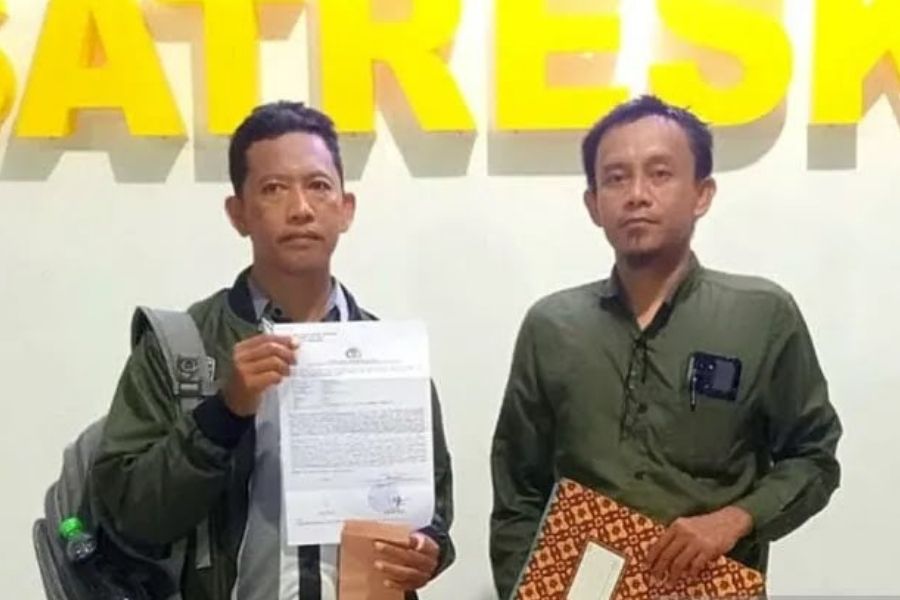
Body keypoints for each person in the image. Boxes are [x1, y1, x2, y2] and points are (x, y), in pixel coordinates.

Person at [89, 101, 454, 599]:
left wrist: (427, 549)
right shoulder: (181, 347)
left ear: (346, 209)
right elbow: (130, 518)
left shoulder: (387, 355)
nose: (300, 208)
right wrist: (223, 414)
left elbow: (432, 511)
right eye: (274, 188)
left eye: (319, 186)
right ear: (237, 213)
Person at [489, 95, 842, 598]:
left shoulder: (762, 315)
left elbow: (813, 457)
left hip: (708, 587)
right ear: (593, 204)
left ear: (702, 194)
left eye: (659, 174)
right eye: (616, 178)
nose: (637, 195)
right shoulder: (552, 326)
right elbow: (519, 492)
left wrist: (735, 518)